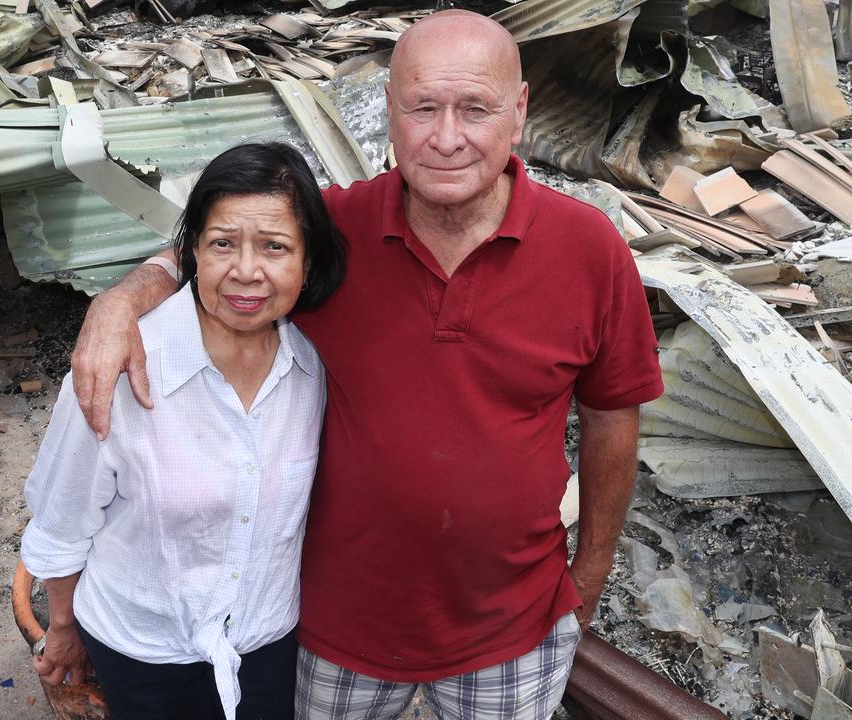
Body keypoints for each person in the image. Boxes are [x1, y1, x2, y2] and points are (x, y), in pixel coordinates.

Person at [67, 10, 664, 720]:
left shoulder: (589, 249)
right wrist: (126, 297)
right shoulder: (330, 232)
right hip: (333, 627)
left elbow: (611, 413)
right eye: (422, 108)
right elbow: (227, 246)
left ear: (520, 111)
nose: (447, 137)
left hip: (514, 627)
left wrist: (590, 572)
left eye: (475, 109)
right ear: (389, 112)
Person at [20, 142, 346, 720]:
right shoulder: (116, 371)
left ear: (309, 262)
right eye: (223, 243)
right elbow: (62, 521)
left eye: (275, 247)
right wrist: (64, 627)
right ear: (192, 250)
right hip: (143, 647)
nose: (246, 271)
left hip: (264, 640)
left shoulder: (313, 372)